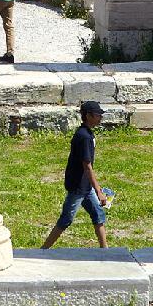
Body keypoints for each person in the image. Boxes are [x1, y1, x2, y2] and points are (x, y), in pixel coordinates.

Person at [42, 101, 109, 249]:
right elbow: (87, 166)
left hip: (86, 186)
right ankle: (43, 250)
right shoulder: (84, 137)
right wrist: (99, 191)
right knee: (66, 219)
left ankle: (105, 250)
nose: (100, 118)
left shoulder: (87, 133)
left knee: (98, 215)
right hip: (78, 186)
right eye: (97, 115)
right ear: (88, 116)